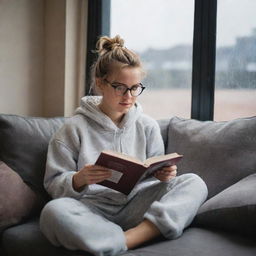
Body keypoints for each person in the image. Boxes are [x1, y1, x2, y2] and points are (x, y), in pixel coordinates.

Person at [40, 35, 208, 256]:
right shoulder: (73, 129)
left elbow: (154, 171)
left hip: (138, 205)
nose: (129, 96)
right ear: (100, 83)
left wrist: (164, 174)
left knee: (194, 183)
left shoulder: (147, 125)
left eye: (135, 88)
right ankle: (116, 237)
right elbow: (53, 184)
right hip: (91, 209)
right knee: (52, 213)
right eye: (120, 87)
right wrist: (78, 179)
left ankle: (128, 239)